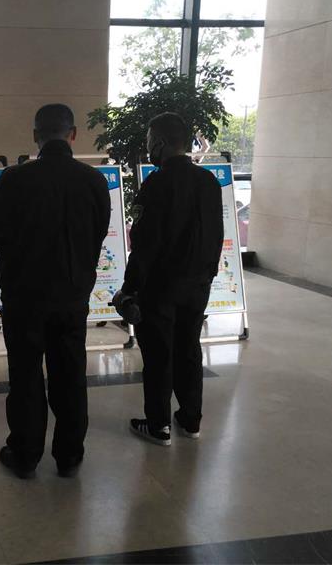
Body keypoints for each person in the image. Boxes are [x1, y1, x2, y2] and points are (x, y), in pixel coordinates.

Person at [0, 104, 111, 479]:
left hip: (24, 296)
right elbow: (98, 232)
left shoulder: (15, 179)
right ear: (73, 134)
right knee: (71, 374)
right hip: (73, 295)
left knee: (26, 374)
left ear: (35, 136)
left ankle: (25, 455)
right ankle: (69, 456)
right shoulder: (94, 181)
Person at [112, 112, 223, 446]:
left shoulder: (157, 184)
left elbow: (145, 244)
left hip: (161, 286)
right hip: (198, 284)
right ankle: (191, 419)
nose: (148, 147)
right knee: (189, 349)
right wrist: (207, 274)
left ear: (159, 143)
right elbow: (215, 234)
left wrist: (130, 289)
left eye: (149, 141)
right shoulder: (208, 181)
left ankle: (158, 424)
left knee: (159, 354)